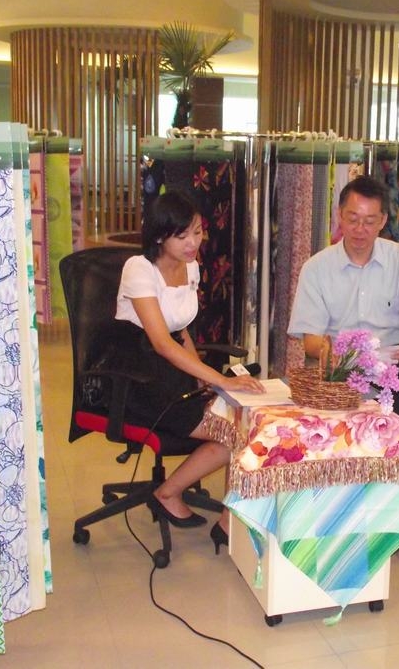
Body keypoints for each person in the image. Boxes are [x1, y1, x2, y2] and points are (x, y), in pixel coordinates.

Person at [287, 174, 399, 569]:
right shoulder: (317, 268)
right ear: (339, 216)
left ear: (384, 220)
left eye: (370, 221)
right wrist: (335, 355)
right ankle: (344, 513)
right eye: (353, 219)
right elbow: (310, 341)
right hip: (342, 369)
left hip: (395, 365)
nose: (360, 230)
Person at [116, 190, 264, 552]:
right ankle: (169, 493)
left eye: (197, 232)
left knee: (243, 421)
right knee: (236, 434)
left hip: (174, 372)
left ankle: (228, 520)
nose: (193, 243)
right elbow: (161, 343)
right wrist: (222, 379)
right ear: (159, 236)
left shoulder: (191, 266)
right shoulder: (139, 268)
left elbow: (180, 332)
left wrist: (205, 381)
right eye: (182, 236)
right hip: (138, 376)